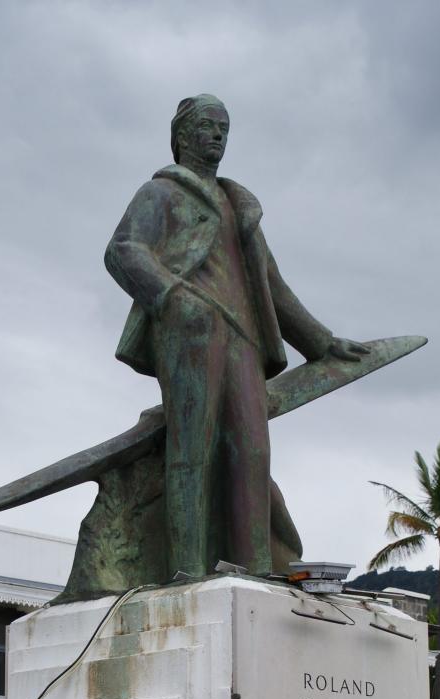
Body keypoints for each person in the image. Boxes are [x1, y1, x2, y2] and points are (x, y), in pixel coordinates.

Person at [105, 94, 367, 580]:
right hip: (188, 332)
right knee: (192, 449)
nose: (217, 135)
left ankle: (256, 569)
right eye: (207, 126)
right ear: (182, 135)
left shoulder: (237, 205)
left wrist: (322, 342)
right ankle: (187, 571)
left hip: (243, 335)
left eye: (224, 128)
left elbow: (272, 284)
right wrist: (172, 297)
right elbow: (123, 249)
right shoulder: (160, 193)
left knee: (251, 449)